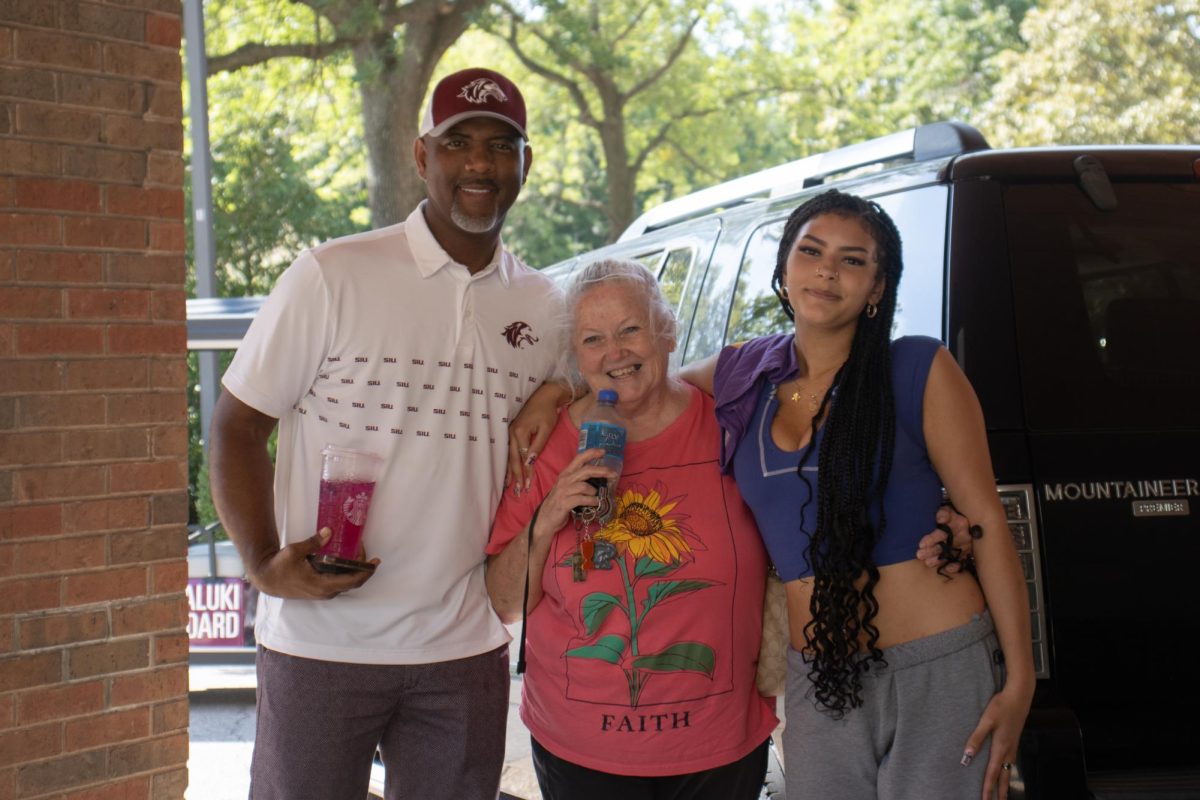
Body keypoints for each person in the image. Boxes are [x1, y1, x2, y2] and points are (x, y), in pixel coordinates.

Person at [208, 67, 564, 800]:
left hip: (464, 647)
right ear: (420, 156)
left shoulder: (545, 304)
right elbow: (239, 424)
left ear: (525, 163)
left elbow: (616, 382)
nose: (479, 164)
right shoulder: (333, 274)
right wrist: (262, 562)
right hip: (321, 642)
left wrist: (561, 388)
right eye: (458, 142)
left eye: (502, 146)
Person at [698, 189, 1034, 800]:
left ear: (878, 287)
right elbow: (638, 382)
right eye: (811, 251)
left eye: (853, 260)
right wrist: (551, 393)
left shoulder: (918, 367)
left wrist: (1021, 680)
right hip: (817, 674)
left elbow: (985, 517)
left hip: (938, 664)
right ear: (784, 267)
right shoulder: (744, 375)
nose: (827, 269)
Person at [486, 258, 778, 800]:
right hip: (582, 749)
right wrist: (548, 516)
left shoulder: (730, 427)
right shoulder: (543, 446)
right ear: (575, 358)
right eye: (593, 339)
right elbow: (504, 603)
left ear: (666, 331)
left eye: (630, 330)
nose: (614, 353)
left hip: (719, 745)